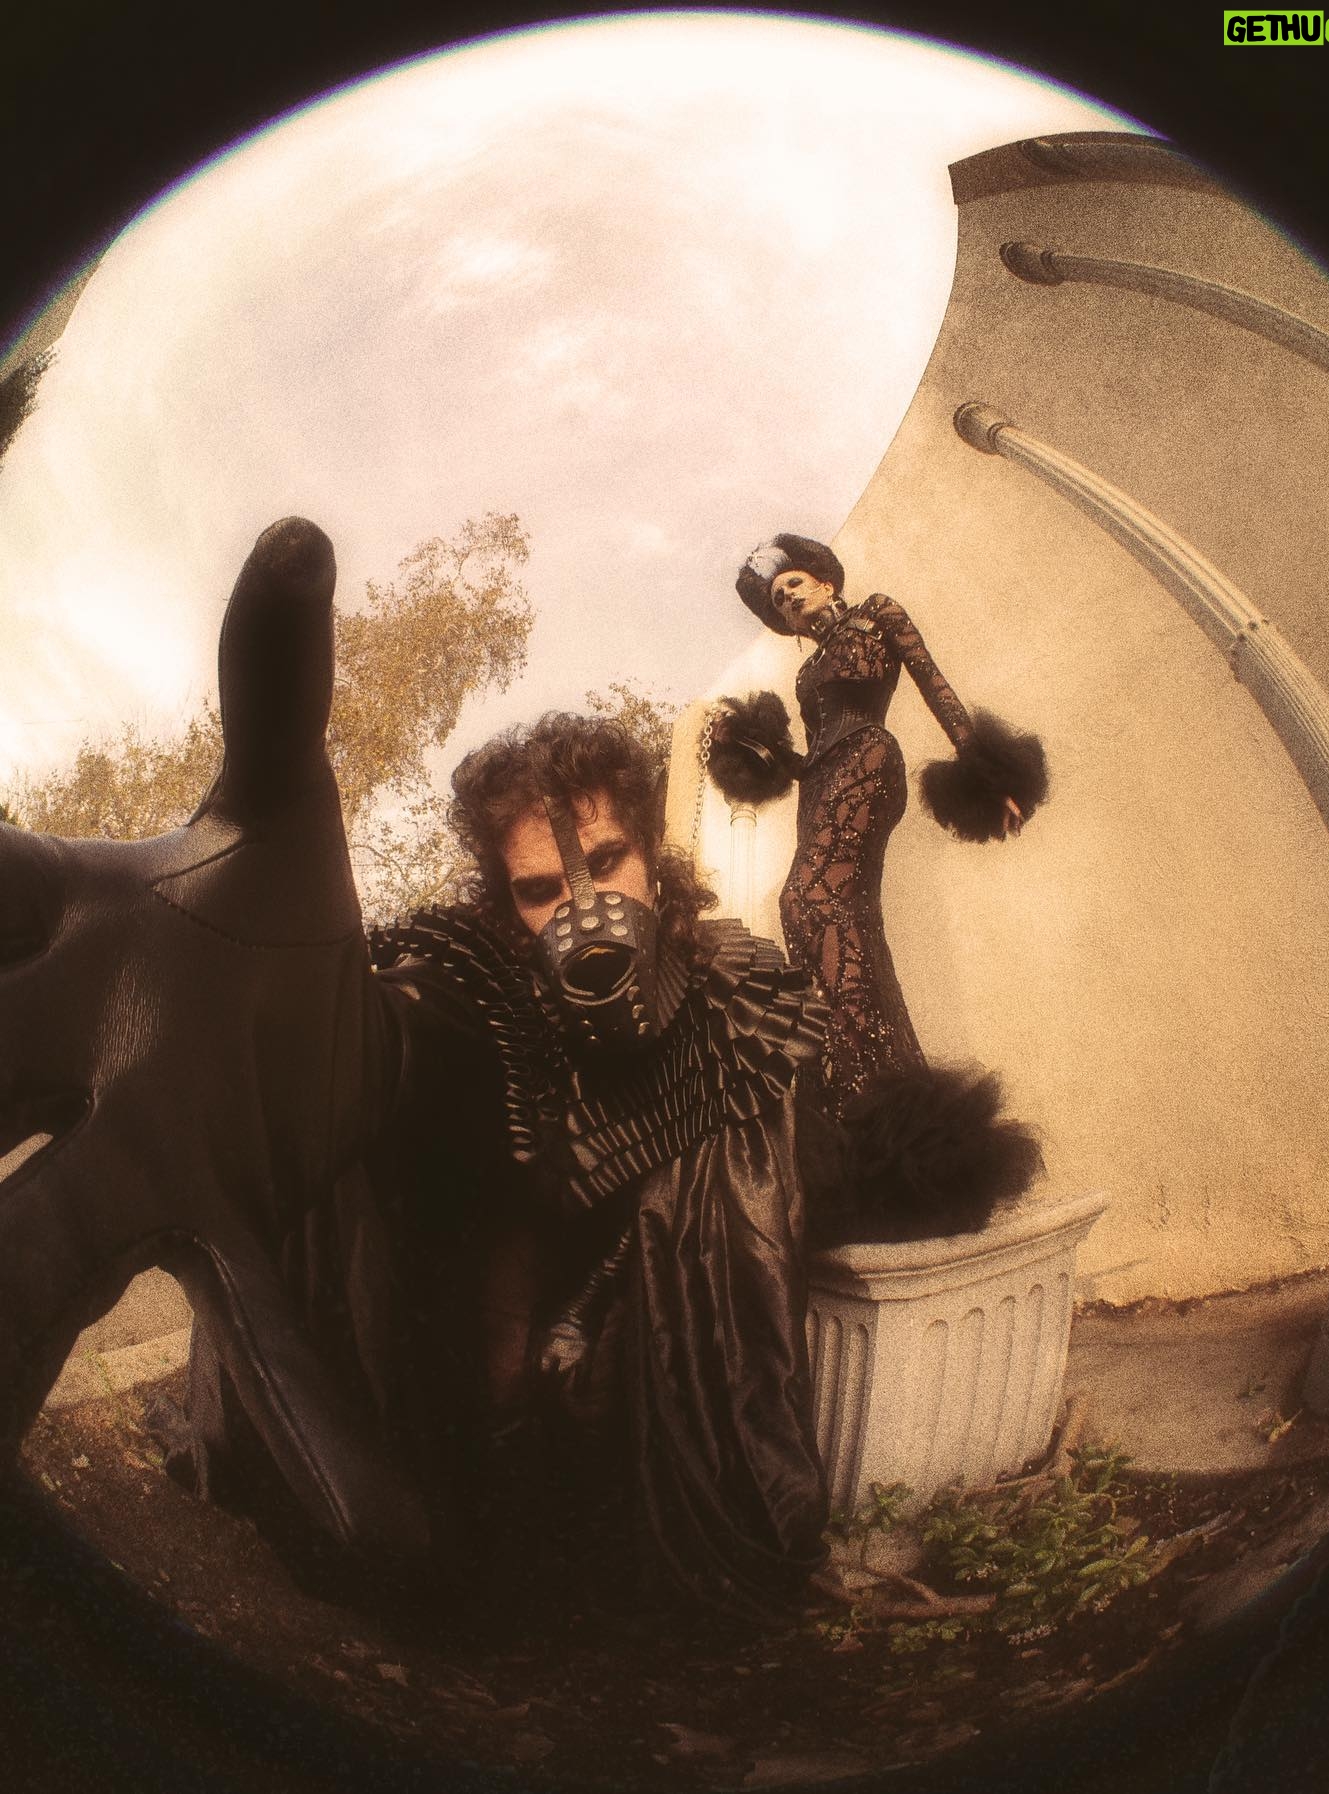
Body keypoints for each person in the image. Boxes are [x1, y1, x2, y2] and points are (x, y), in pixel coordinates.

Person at [0, 518, 829, 1625]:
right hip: (508, 1279)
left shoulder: (737, 996)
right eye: (539, 889)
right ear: (503, 898)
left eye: (608, 861)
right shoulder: (476, 977)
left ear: (651, 849)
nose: (583, 907)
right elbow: (412, 1024)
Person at [706, 532, 1048, 1241]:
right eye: (778, 600)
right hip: (822, 781)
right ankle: (871, 1097)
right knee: (828, 920)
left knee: (810, 901)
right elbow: (808, 755)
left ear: (825, 581)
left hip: (868, 761)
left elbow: (935, 685)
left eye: (794, 584)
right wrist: (757, 750)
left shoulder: (878, 614)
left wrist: (990, 774)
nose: (788, 600)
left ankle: (864, 1077)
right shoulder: (807, 675)